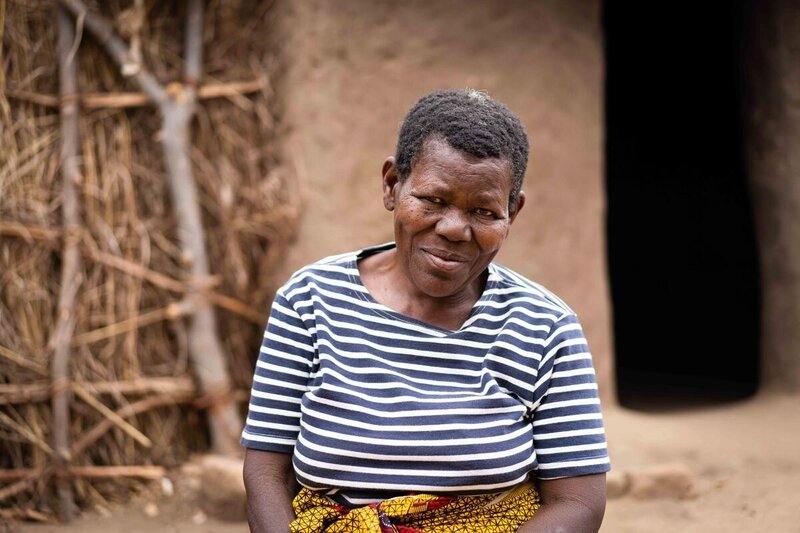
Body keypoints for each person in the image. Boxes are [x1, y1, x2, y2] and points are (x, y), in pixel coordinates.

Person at [242, 89, 610, 533]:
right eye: (433, 200)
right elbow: (266, 473)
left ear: (513, 211)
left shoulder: (546, 326)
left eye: (483, 211)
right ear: (392, 185)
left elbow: (577, 501)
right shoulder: (308, 300)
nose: (454, 229)